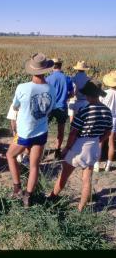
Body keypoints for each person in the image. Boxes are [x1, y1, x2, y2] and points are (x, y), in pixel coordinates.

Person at [48, 81, 112, 212]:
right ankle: (81, 208)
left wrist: (66, 148)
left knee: (64, 174)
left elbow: (73, 133)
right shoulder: (106, 111)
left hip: (79, 146)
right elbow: (108, 131)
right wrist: (98, 139)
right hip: (94, 146)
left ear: (88, 95)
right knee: (87, 179)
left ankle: (53, 197)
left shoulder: (85, 110)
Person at [6, 53, 56, 208]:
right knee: (34, 165)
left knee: (10, 155)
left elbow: (15, 106)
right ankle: (28, 197)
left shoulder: (23, 87)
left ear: (32, 70)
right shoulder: (51, 89)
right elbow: (50, 109)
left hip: (25, 133)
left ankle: (17, 189)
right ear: (46, 70)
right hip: (41, 132)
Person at [46, 58, 74, 159]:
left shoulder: (48, 79)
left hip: (49, 107)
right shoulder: (67, 78)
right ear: (60, 66)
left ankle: (41, 149)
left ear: (52, 66)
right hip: (62, 106)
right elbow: (72, 93)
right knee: (61, 129)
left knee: (44, 128)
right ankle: (57, 151)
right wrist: (65, 97)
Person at [94, 70, 116, 172]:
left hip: (103, 118)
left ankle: (97, 165)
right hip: (114, 119)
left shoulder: (104, 93)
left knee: (100, 142)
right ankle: (108, 165)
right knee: (111, 144)